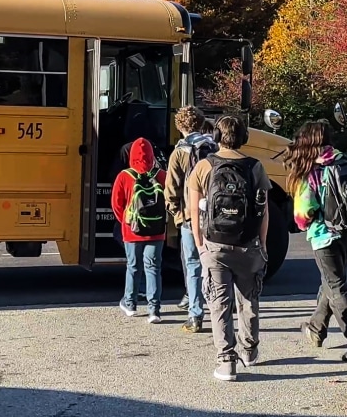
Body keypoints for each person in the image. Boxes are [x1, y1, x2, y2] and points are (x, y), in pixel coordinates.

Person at [188, 116, 270, 381]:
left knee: (219, 304)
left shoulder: (203, 166)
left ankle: (226, 361)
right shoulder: (256, 167)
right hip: (247, 245)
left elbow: (193, 210)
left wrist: (200, 245)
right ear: (244, 137)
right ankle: (249, 350)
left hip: (215, 245)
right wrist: (263, 244)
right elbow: (263, 211)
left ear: (216, 137)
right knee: (248, 300)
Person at [286, 120, 347, 362]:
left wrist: (305, 224)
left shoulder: (311, 170)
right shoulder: (346, 162)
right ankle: (316, 329)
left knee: (336, 288)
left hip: (325, 236)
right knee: (332, 282)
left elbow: (303, 214)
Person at [166, 106, 217, 333]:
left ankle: (195, 315)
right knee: (216, 266)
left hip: (190, 218)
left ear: (180, 127)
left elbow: (171, 190)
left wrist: (178, 216)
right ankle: (219, 311)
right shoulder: (214, 148)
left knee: (193, 266)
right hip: (215, 217)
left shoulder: (179, 153)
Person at [111, 137, 168, 323]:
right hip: (157, 231)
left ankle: (130, 304)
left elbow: (116, 204)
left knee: (133, 267)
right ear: (151, 155)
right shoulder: (161, 175)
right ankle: (154, 310)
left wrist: (125, 223)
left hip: (132, 230)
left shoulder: (124, 176)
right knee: (153, 268)